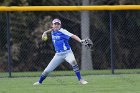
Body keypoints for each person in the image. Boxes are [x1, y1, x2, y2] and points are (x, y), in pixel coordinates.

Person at [33, 18, 88, 85]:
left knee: (73, 63)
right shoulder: (52, 30)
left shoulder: (63, 31)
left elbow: (73, 36)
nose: (56, 25)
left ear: (60, 25)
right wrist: (45, 32)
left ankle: (81, 80)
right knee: (47, 70)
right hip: (58, 54)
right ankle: (39, 82)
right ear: (52, 25)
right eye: (55, 24)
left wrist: (80, 41)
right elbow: (51, 30)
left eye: (58, 24)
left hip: (67, 53)